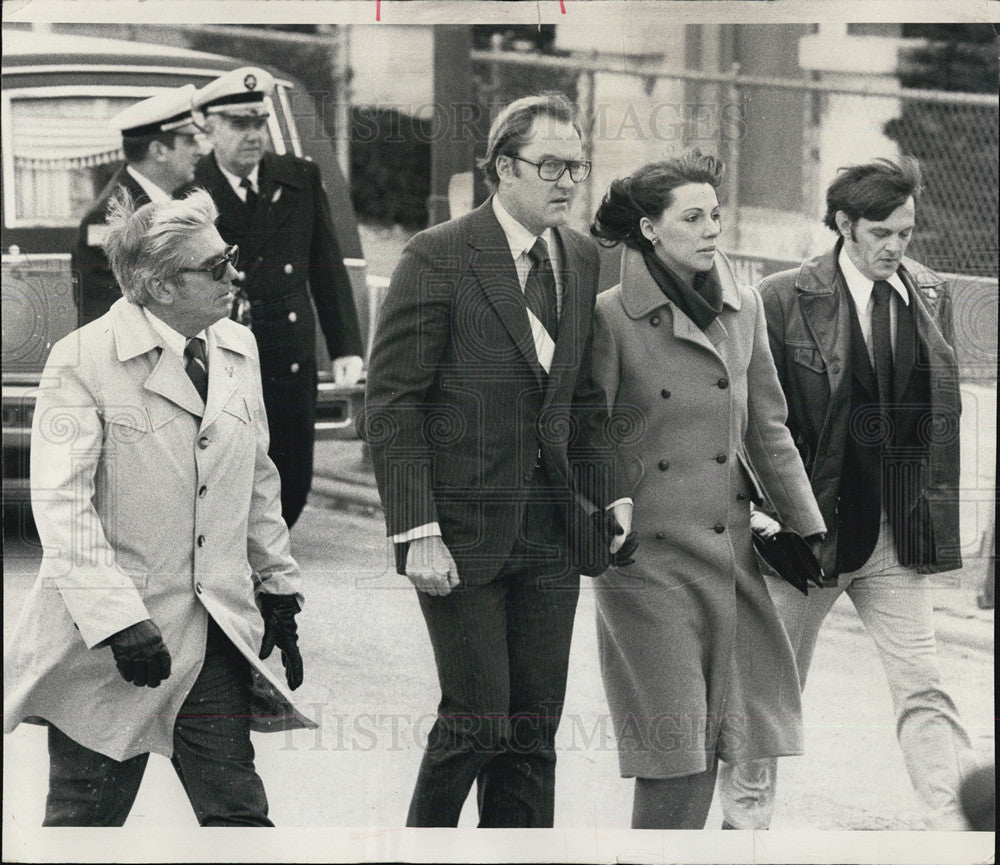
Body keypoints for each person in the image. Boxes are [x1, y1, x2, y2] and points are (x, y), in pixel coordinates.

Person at [4, 189, 313, 826]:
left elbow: (256, 476)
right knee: (83, 823)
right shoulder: (82, 360)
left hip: (215, 638)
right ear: (160, 286)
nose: (235, 274)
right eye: (216, 266)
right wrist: (118, 620)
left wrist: (278, 590)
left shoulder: (237, 346)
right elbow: (62, 506)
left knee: (239, 818)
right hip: (114, 646)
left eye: (230, 257)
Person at [363, 93, 628, 828]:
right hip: (460, 530)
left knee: (532, 730)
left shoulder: (580, 256)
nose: (569, 181)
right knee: (477, 715)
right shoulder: (438, 255)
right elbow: (393, 404)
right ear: (503, 168)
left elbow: (579, 400)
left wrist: (612, 493)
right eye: (552, 165)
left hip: (550, 533)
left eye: (577, 165)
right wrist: (417, 528)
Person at [720, 157, 974, 830]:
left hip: (894, 535)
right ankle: (742, 828)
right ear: (842, 226)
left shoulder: (925, 290)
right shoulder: (779, 298)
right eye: (882, 232)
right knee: (768, 691)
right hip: (807, 535)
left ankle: (960, 829)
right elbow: (746, 418)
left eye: (906, 232)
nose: (896, 246)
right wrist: (765, 517)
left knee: (924, 684)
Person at [588, 151, 826, 830]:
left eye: (715, 214)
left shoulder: (742, 307)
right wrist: (604, 516)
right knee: (675, 750)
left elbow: (768, 429)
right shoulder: (610, 316)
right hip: (645, 564)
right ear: (651, 229)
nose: (711, 228)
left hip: (728, 555)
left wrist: (807, 527)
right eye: (691, 217)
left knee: (722, 742)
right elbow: (590, 433)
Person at [190, 67, 364, 528]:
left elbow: (326, 265)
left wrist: (346, 345)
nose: (253, 135)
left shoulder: (299, 178)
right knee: (227, 474)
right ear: (208, 130)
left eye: (258, 122)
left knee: (293, 477)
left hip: (289, 358)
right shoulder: (190, 192)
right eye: (238, 124)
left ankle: (271, 559)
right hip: (222, 360)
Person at [71, 85, 201, 327]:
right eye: (189, 140)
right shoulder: (109, 217)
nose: (199, 151)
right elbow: (109, 313)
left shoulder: (173, 199)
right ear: (159, 151)